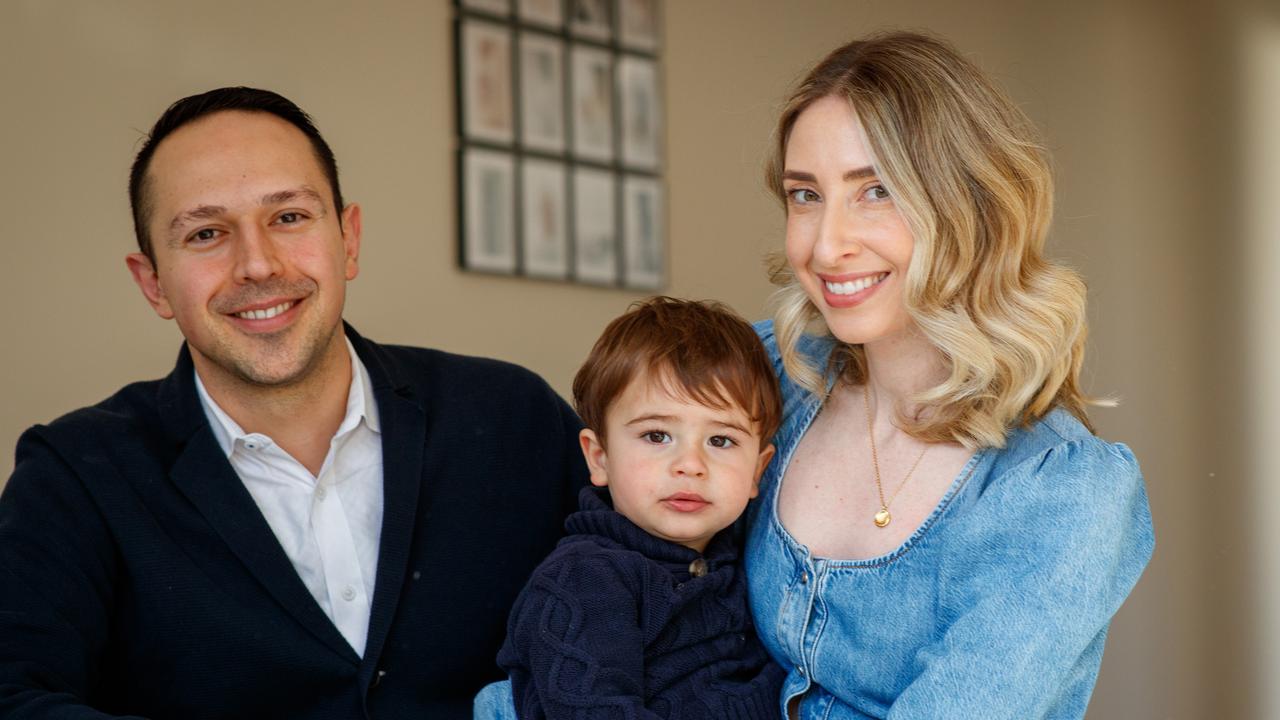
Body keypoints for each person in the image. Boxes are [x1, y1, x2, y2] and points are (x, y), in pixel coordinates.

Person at [0, 87, 586, 719]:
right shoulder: (76, 472)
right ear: (153, 283)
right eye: (205, 233)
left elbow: (675, 597)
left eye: (288, 217)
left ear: (348, 239)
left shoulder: (515, 419)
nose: (257, 264)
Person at [747, 32, 1155, 718]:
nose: (826, 244)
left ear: (967, 203)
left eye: (875, 190)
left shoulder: (1062, 490)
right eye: (805, 195)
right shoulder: (765, 379)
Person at [478, 297, 786, 719]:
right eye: (657, 436)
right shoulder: (587, 578)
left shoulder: (748, 561)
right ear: (599, 457)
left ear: (757, 470)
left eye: (721, 441)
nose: (691, 466)